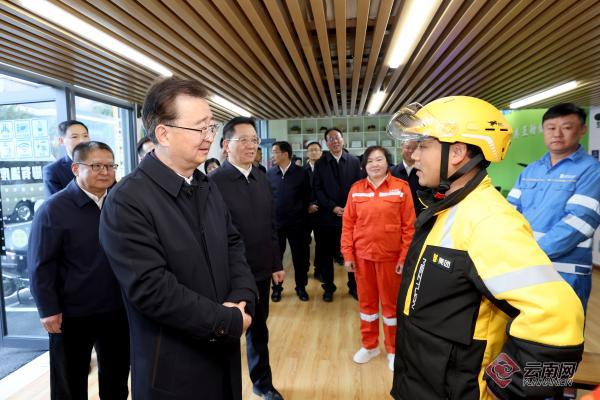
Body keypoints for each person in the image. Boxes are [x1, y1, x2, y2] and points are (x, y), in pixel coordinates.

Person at [388, 96, 584, 399]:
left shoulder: (489, 221)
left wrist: (506, 387)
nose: (413, 156)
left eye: (423, 146)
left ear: (456, 153)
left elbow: (561, 319)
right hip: (422, 383)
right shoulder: (447, 208)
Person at [99, 77, 257, 400]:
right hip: (173, 371)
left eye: (211, 127)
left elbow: (233, 245)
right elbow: (152, 289)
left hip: (222, 356)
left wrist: (243, 296)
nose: (209, 137)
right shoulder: (127, 200)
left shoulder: (206, 185)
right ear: (163, 134)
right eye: (199, 128)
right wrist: (226, 320)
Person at [28, 141, 129, 400]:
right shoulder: (53, 209)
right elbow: (40, 264)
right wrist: (48, 309)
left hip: (117, 309)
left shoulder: (121, 203)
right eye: (96, 166)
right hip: (71, 313)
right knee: (69, 382)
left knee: (117, 378)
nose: (105, 172)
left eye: (110, 166)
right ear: (75, 168)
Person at [210, 116, 284, 400]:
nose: (251, 145)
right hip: (228, 275)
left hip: (261, 270)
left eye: (254, 140)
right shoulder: (212, 184)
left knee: (258, 330)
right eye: (243, 140)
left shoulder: (262, 178)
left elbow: (271, 225)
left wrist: (276, 264)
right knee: (226, 333)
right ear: (226, 145)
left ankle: (262, 383)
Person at [508, 103, 600, 312]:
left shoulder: (592, 170)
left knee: (562, 329)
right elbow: (510, 212)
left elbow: (580, 222)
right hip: (524, 265)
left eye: (566, 127)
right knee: (521, 326)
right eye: (551, 128)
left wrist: (530, 254)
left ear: (582, 130)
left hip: (565, 272)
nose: (557, 133)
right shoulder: (531, 169)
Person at [341, 146, 415, 372]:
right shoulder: (356, 190)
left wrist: (404, 257)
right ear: (364, 165)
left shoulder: (401, 188)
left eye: (379, 159)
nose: (375, 164)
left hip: (391, 259)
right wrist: (347, 254)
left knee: (391, 307)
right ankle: (369, 346)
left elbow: (409, 227)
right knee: (367, 306)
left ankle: (393, 349)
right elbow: (348, 225)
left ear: (387, 163)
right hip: (363, 258)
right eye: (370, 160)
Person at [313, 128, 362, 301]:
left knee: (351, 253)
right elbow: (317, 189)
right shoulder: (320, 163)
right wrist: (332, 207)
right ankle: (328, 287)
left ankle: (353, 286)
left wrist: (349, 207)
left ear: (343, 139)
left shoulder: (354, 161)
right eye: (330, 139)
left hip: (351, 216)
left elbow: (359, 187)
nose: (335, 141)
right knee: (326, 254)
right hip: (327, 216)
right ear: (326, 143)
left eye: (337, 137)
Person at [267, 141, 311, 301]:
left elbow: (307, 196)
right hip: (277, 224)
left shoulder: (301, 172)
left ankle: (301, 287)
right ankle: (276, 289)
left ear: (285, 154)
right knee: (276, 259)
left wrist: (302, 216)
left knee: (300, 258)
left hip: (297, 224)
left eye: (275, 152)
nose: (272, 155)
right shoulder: (270, 173)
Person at [43, 120, 90, 197]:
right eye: (74, 137)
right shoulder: (53, 170)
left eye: (85, 136)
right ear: (61, 141)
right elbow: (55, 202)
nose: (82, 141)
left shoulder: (102, 163)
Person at [304, 141, 324, 281]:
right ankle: (304, 268)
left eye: (316, 149)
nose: (314, 152)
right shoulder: (301, 170)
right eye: (311, 150)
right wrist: (308, 205)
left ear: (321, 152)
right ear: (307, 153)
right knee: (304, 242)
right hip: (306, 212)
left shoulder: (327, 169)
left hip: (322, 211)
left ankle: (319, 270)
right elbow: (298, 191)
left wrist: (318, 204)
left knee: (321, 243)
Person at [391, 140, 427, 214]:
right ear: (401, 150)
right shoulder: (391, 172)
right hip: (396, 215)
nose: (410, 151)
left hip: (421, 215)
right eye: (407, 147)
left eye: (414, 148)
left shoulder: (426, 171)